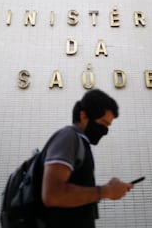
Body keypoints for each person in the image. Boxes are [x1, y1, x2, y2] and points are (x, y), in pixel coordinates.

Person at [39, 89, 133, 228]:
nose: (105, 131)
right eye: (103, 123)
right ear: (84, 116)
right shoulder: (69, 137)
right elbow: (52, 195)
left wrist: (110, 189)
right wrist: (106, 191)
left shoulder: (81, 144)